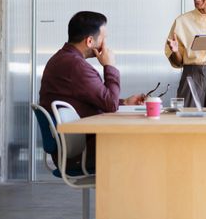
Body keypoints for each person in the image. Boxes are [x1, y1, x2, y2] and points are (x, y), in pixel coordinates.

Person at [39, 11, 145, 170]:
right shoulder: (76, 66)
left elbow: (91, 100)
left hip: (72, 147)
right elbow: (110, 104)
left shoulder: (62, 59)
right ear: (89, 41)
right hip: (79, 153)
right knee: (144, 147)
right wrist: (110, 66)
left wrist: (124, 102)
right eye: (104, 38)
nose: (106, 44)